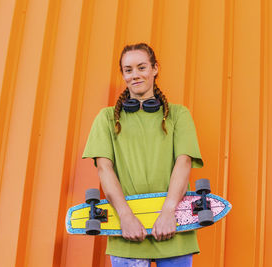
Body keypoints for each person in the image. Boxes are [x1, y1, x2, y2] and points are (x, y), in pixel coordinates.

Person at [82, 43, 203, 267]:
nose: (135, 75)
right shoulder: (107, 118)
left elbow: (184, 162)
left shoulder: (178, 114)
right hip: (126, 229)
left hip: (174, 225)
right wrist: (125, 217)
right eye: (128, 70)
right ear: (123, 75)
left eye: (141, 67)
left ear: (155, 69)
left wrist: (168, 212)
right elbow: (104, 168)